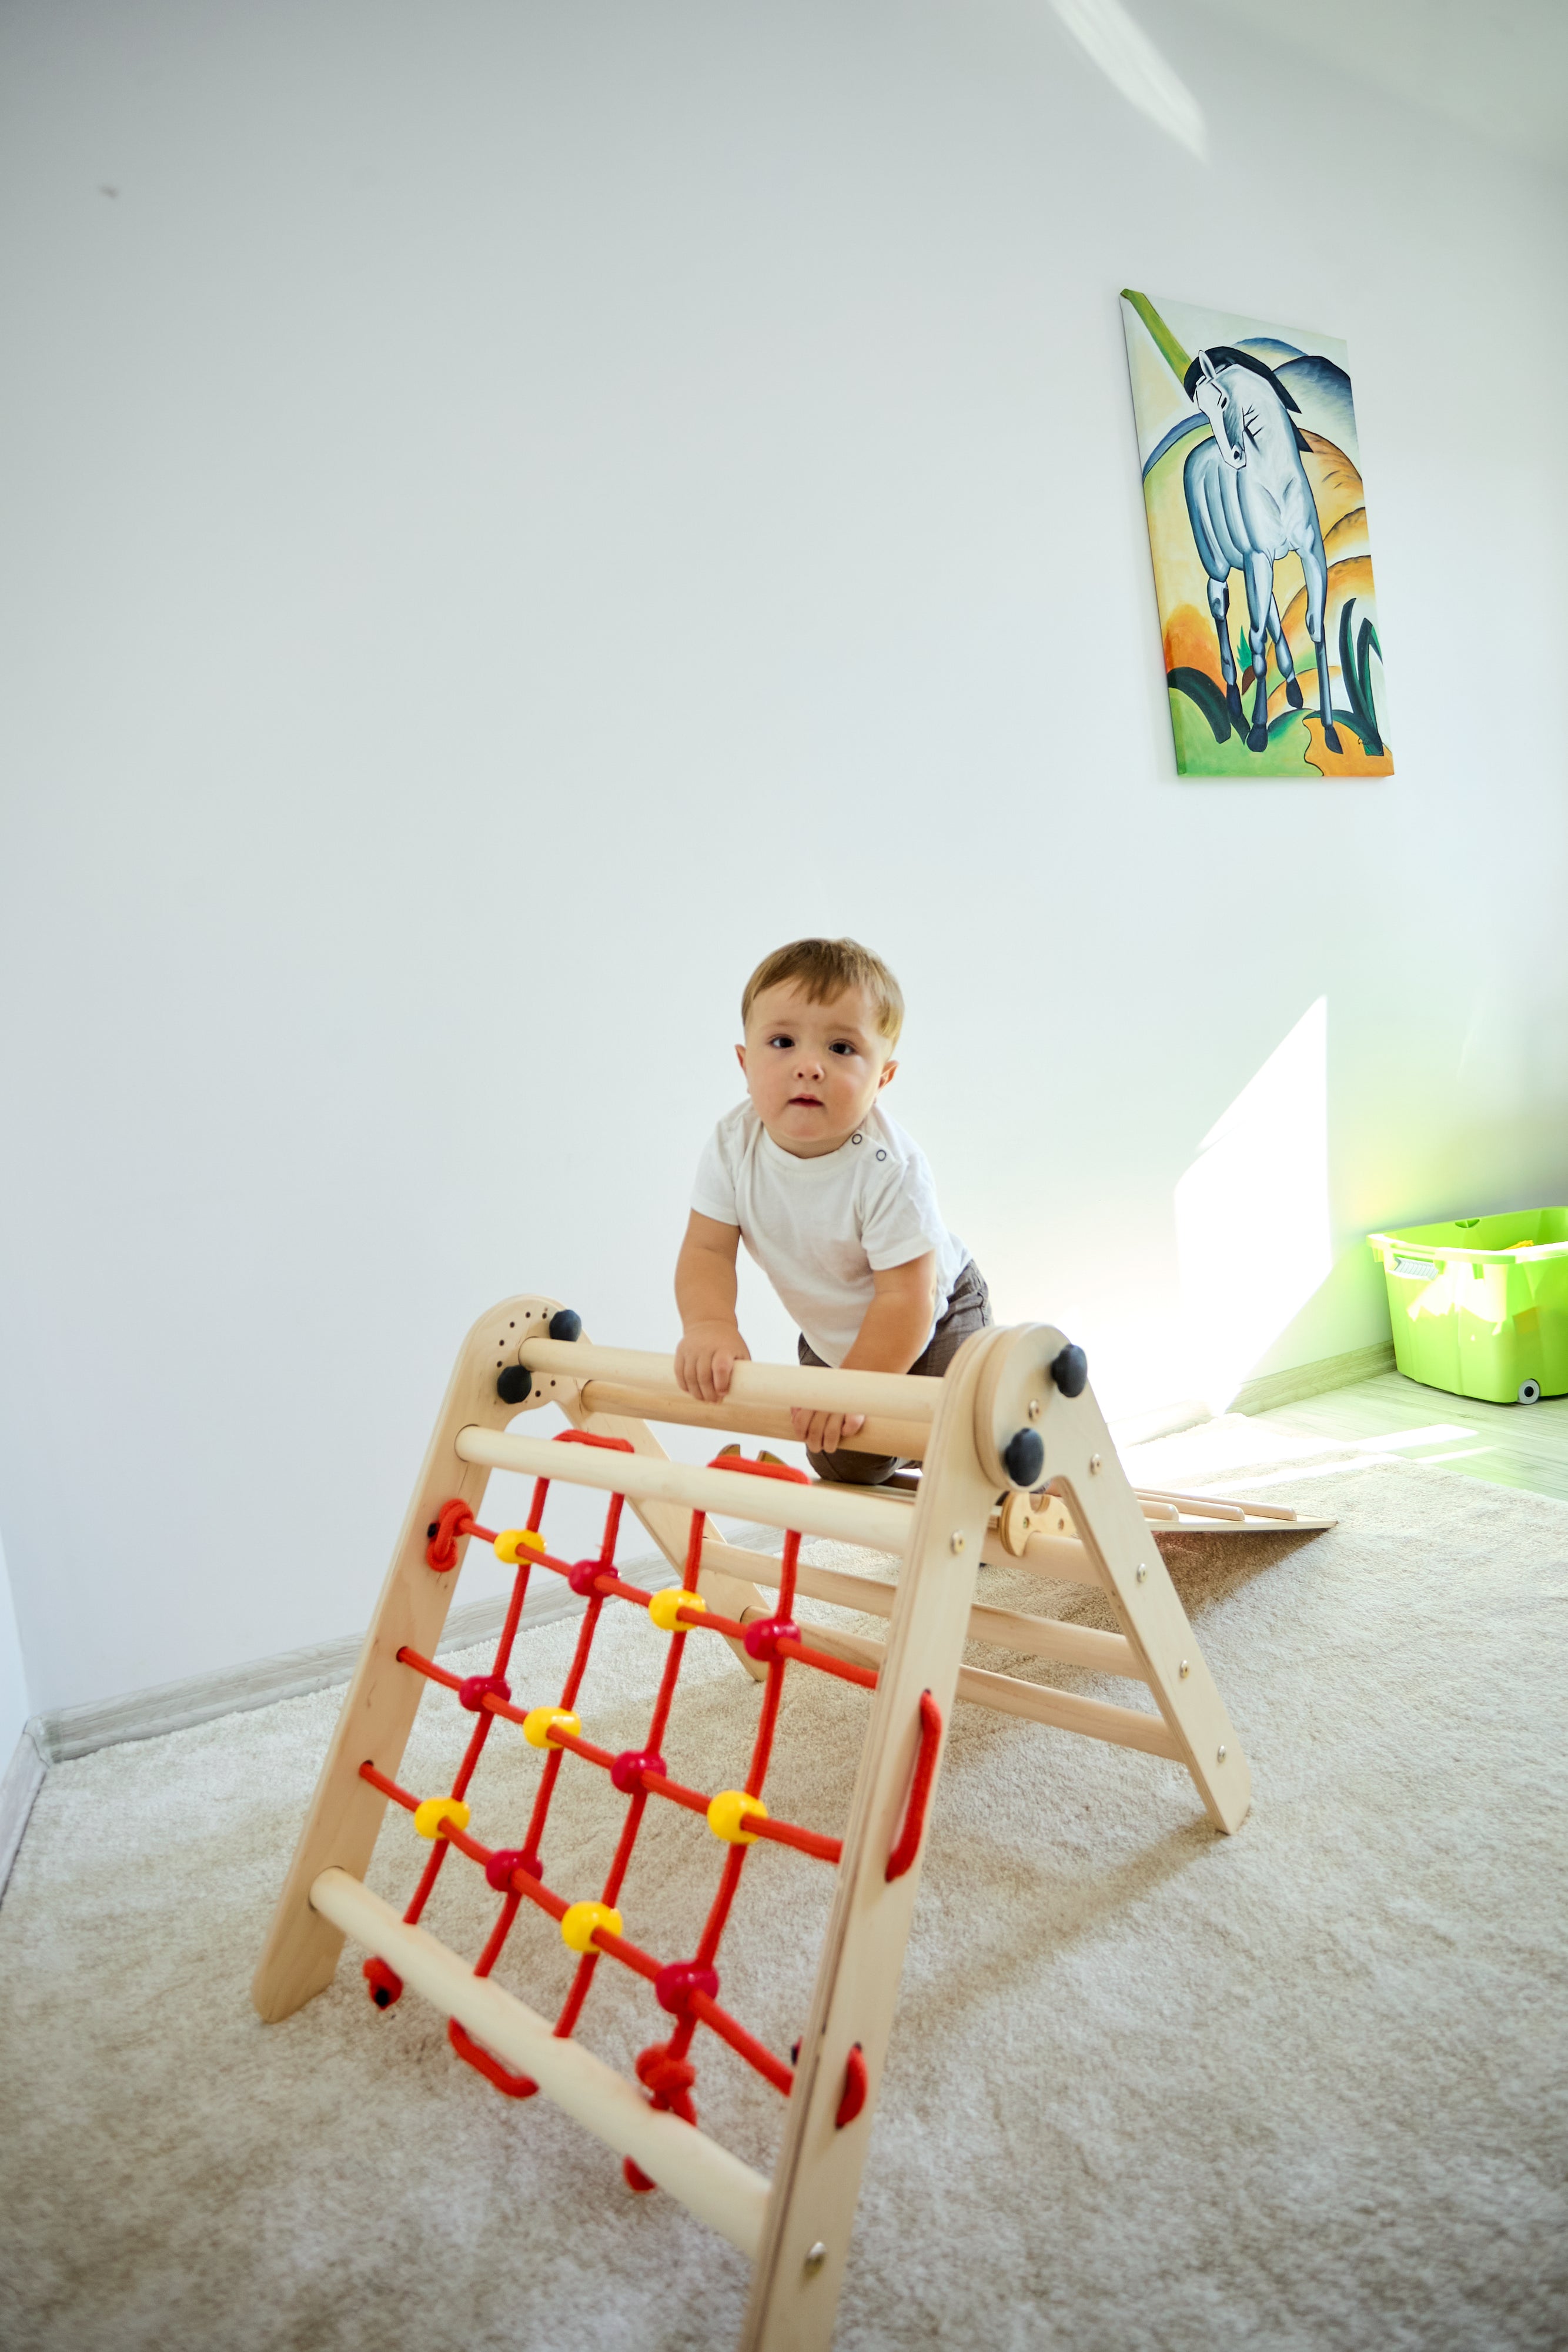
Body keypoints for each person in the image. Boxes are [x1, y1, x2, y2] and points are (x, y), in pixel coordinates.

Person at [673, 936, 990, 1484]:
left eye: (840, 1049)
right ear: (744, 1064)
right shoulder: (732, 1144)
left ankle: (998, 1477)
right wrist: (710, 1325)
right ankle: (910, 1468)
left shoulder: (890, 1169)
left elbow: (906, 1298)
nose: (809, 1067)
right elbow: (706, 1250)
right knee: (838, 1460)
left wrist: (854, 1387)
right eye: (782, 1042)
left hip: (934, 1318)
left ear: (881, 1079)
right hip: (834, 1335)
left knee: (960, 1442)